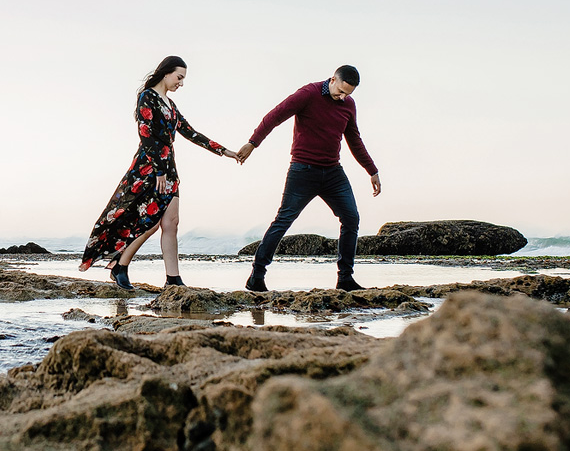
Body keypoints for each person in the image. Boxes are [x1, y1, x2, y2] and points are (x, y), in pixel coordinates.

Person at [79, 56, 235, 289]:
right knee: (150, 222)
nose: (180, 83)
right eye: (179, 77)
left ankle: (173, 279)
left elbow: (190, 132)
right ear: (166, 73)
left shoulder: (170, 105)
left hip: (168, 169)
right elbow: (146, 134)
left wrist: (225, 151)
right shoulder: (147, 98)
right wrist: (159, 171)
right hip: (149, 168)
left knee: (171, 222)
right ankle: (120, 264)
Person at [235, 65, 382, 292]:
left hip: (333, 172)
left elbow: (354, 140)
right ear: (332, 79)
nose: (342, 97)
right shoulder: (309, 94)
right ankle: (256, 276)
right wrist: (253, 142)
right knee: (283, 220)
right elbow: (275, 115)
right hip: (303, 171)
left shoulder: (348, 105)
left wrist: (372, 170)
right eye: (340, 91)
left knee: (351, 218)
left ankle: (345, 279)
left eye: (347, 94)